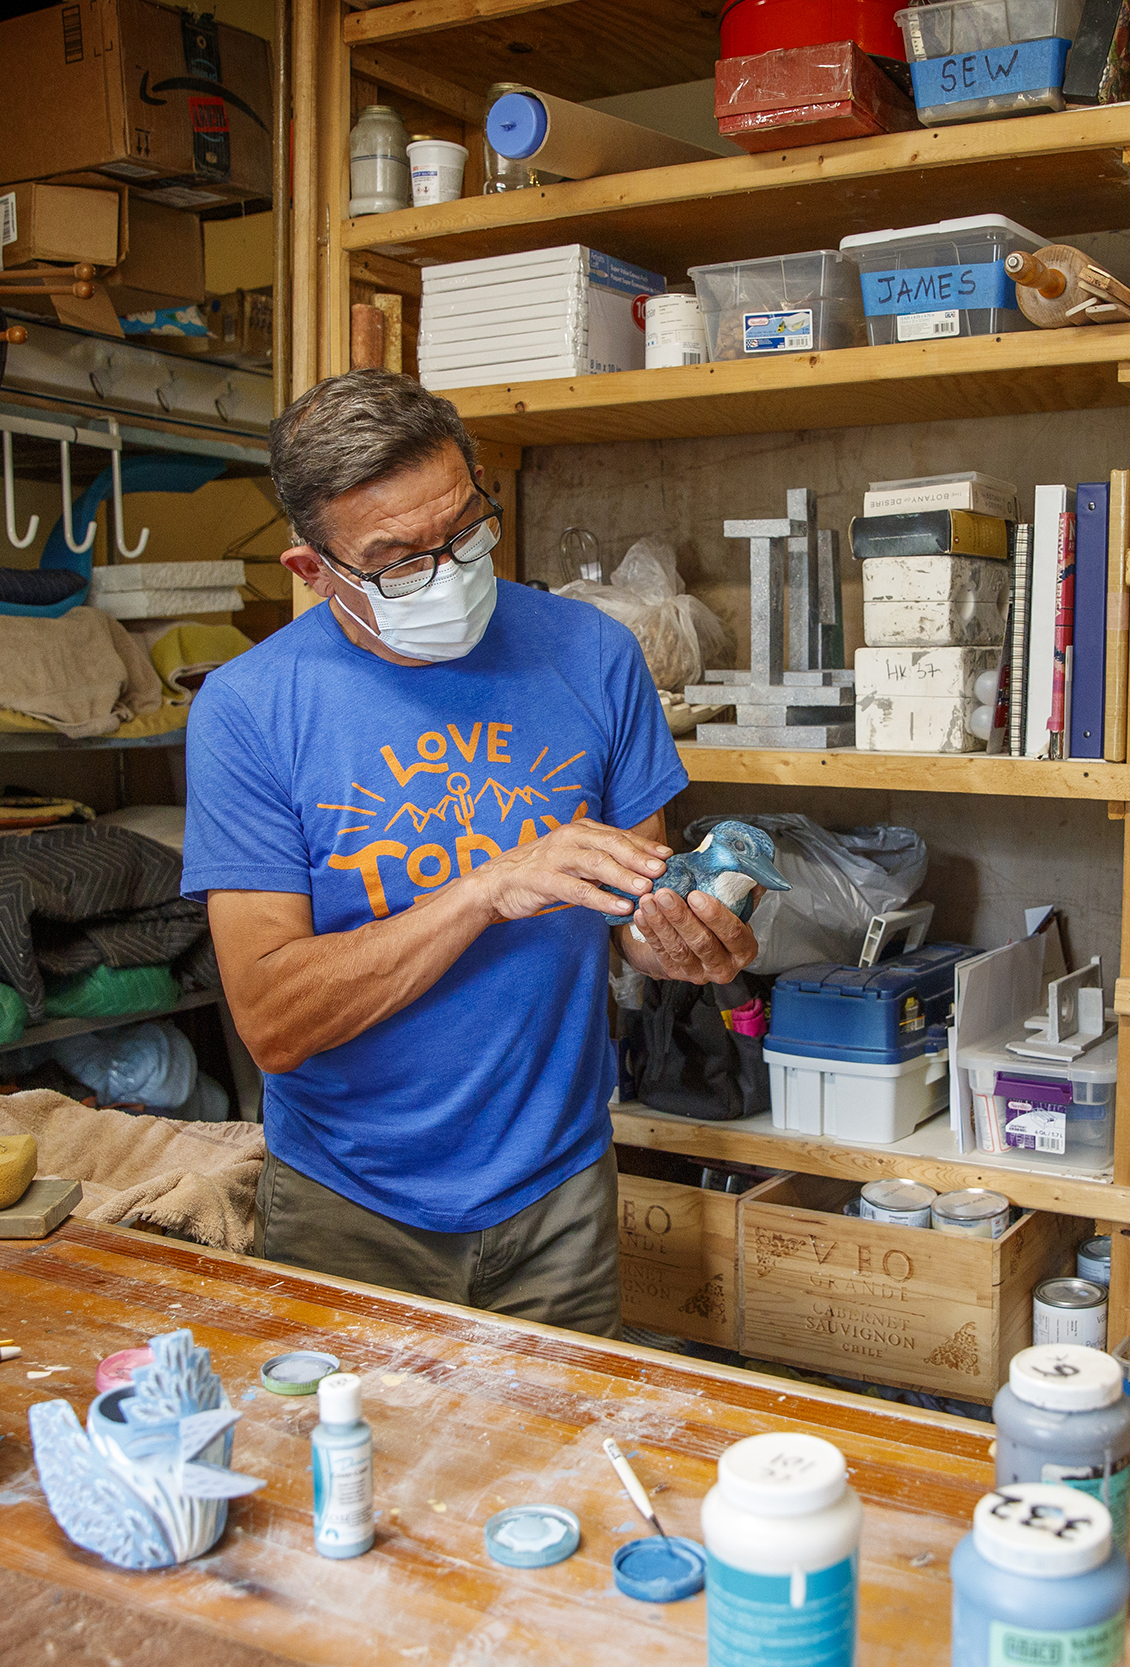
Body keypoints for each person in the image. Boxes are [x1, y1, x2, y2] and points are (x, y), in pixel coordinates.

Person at [183, 371, 760, 1339]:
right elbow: (275, 1021)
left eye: (463, 529)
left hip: (560, 1186)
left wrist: (679, 938)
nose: (447, 572)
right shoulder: (249, 709)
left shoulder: (593, 653)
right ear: (311, 568)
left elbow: (632, 917)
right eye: (396, 560)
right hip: (350, 1199)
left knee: (557, 1470)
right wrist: (485, 889)